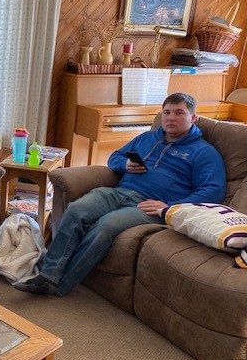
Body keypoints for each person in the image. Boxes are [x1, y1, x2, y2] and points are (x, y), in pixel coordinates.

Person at [15, 92, 226, 296]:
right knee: (76, 209)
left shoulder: (204, 152)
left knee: (106, 225)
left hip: (150, 206)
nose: (171, 118)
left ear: (193, 117)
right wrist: (125, 164)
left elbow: (212, 191)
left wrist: (169, 207)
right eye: (167, 112)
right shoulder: (147, 137)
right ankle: (47, 276)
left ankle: (59, 284)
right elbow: (114, 157)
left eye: (179, 113)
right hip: (119, 192)